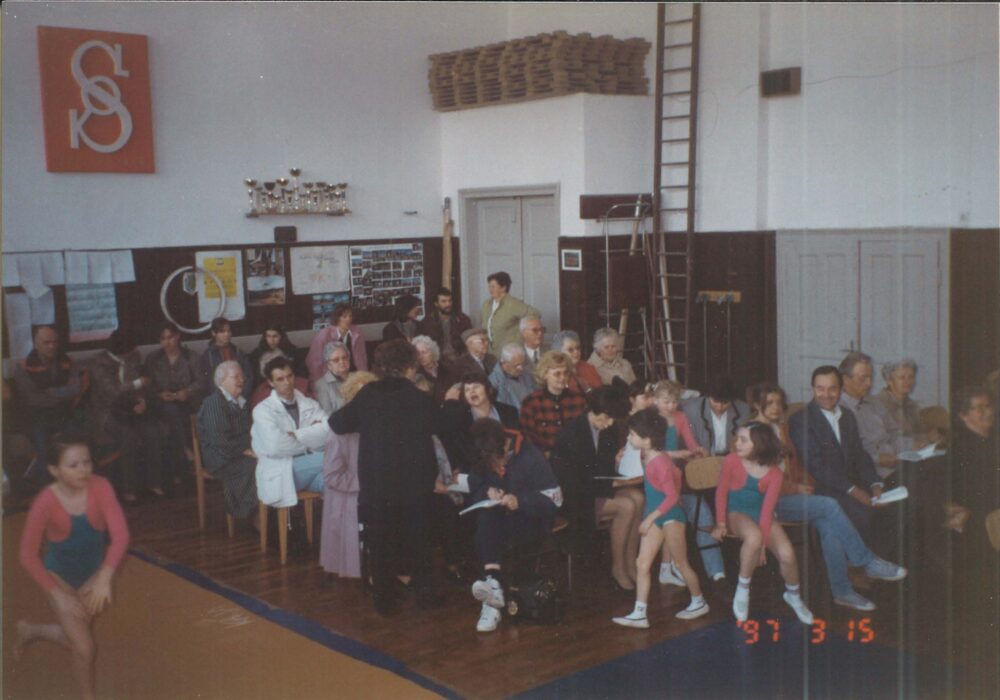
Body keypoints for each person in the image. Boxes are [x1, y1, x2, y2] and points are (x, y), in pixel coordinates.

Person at [749, 382, 907, 611]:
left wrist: (803, 484)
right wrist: (794, 488)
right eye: (769, 403)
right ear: (756, 404)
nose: (775, 407)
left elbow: (796, 465)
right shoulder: (750, 433)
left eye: (778, 402)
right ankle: (866, 561)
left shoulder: (780, 429)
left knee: (830, 528)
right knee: (829, 505)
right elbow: (758, 482)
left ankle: (842, 592)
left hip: (788, 498)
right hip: (765, 504)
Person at [328, 339, 444, 615]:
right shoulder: (418, 397)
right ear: (409, 367)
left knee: (380, 543)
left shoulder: (368, 395)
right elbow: (440, 425)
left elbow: (337, 423)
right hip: (415, 484)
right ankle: (424, 596)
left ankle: (384, 601)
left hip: (377, 484)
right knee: (419, 541)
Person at [17, 434, 130, 700]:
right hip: (60, 578)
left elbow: (121, 536)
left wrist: (103, 577)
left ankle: (32, 630)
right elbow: (27, 555)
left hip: (93, 576)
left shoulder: (101, 487)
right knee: (84, 647)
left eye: (86, 462)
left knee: (77, 638)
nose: (83, 470)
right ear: (54, 470)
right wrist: (57, 594)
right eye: (73, 465)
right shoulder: (45, 502)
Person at [452, 419, 561, 633]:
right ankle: (493, 585)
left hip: (532, 520)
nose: (496, 466)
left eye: (497, 460)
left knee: (487, 528)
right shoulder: (483, 454)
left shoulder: (530, 456)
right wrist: (487, 492)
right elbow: (476, 484)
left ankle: (492, 596)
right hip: (501, 520)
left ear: (504, 448)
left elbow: (554, 500)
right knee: (486, 516)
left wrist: (520, 501)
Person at [613, 410, 709, 628]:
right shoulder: (645, 454)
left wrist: (649, 519)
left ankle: (699, 601)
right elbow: (628, 469)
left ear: (647, 439)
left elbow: (672, 497)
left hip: (670, 516)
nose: (629, 437)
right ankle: (639, 613)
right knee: (642, 564)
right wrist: (619, 460)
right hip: (657, 515)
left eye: (632, 434)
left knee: (681, 563)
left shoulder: (659, 462)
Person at [712, 423, 814, 625]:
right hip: (736, 512)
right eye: (737, 438)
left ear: (759, 444)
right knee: (754, 537)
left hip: (761, 514)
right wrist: (721, 523)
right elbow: (721, 492)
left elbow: (767, 511)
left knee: (787, 554)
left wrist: (763, 547)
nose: (737, 443)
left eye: (743, 440)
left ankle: (793, 596)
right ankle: (743, 590)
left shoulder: (775, 473)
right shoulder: (731, 460)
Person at [550, 385, 640, 590]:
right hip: (575, 498)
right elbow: (571, 481)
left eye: (612, 419)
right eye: (606, 418)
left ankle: (631, 562)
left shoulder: (608, 428)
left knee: (638, 497)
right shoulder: (570, 433)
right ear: (593, 410)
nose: (609, 423)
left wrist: (619, 471)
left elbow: (604, 469)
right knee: (627, 506)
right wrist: (614, 483)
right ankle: (618, 568)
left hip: (596, 488)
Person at [789, 365, 888, 552]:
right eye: (820, 389)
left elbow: (860, 454)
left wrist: (875, 483)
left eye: (832, 388)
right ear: (812, 389)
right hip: (824, 488)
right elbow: (816, 466)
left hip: (851, 484)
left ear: (841, 389)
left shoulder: (847, 416)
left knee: (891, 508)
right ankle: (860, 564)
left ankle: (878, 561)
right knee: (864, 514)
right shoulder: (800, 420)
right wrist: (853, 490)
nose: (826, 395)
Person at [648, 380, 726, 585]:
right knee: (672, 515)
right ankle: (670, 566)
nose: (671, 406)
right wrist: (675, 454)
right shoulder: (650, 419)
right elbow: (648, 453)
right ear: (655, 400)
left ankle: (705, 569)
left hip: (676, 475)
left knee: (690, 515)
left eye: (674, 401)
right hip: (657, 475)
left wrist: (697, 451)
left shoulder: (680, 417)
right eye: (666, 401)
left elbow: (691, 443)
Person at [87, 330, 164, 502]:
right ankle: (130, 489)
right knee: (127, 436)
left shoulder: (134, 356)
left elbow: (141, 387)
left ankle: (154, 483)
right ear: (121, 351)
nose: (133, 353)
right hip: (107, 411)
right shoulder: (99, 362)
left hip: (131, 407)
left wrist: (142, 401)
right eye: (129, 351)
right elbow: (112, 392)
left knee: (152, 432)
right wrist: (138, 383)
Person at [320, 372, 379, 579]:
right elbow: (332, 476)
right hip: (350, 494)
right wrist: (366, 482)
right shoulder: (339, 430)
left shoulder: (378, 424)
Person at [251, 357, 330, 511]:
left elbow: (328, 432)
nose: (287, 382)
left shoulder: (310, 404)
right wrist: (311, 438)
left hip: (310, 468)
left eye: (290, 376)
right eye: (280, 379)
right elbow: (275, 447)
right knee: (334, 456)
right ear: (271, 382)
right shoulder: (262, 411)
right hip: (284, 471)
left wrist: (296, 435)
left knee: (338, 482)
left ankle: (345, 525)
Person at [13, 326, 87, 470]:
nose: (52, 346)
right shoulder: (23, 367)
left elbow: (76, 389)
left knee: (78, 447)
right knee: (44, 453)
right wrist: (63, 393)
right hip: (37, 418)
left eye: (54, 342)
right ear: (36, 344)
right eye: (46, 342)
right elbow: (33, 399)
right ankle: (46, 483)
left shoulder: (69, 362)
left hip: (65, 415)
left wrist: (49, 392)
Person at [196, 361, 258, 522]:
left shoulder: (240, 401)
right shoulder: (214, 402)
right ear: (221, 380)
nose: (241, 380)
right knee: (254, 466)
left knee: (271, 462)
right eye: (235, 377)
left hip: (239, 452)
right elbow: (219, 440)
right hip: (220, 458)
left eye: (242, 376)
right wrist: (246, 450)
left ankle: (266, 510)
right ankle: (250, 512)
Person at [144, 322, 201, 486]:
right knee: (172, 410)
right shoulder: (153, 359)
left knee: (175, 415)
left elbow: (201, 381)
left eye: (170, 337)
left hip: (186, 403)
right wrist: (159, 395)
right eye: (163, 339)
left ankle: (179, 473)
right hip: (161, 404)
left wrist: (187, 391)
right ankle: (186, 450)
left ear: (178, 336)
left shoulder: (191, 357)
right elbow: (148, 386)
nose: (167, 342)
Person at [441, 372, 522, 475]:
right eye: (467, 390)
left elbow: (518, 441)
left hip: (514, 466)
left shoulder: (509, 411)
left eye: (476, 387)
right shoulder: (461, 420)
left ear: (489, 390)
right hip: (481, 472)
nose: (472, 391)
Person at [838, 352, 900, 479]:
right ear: (845, 380)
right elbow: (845, 455)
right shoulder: (838, 410)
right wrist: (878, 459)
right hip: (871, 473)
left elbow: (894, 432)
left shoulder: (874, 402)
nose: (869, 384)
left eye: (871, 378)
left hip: (896, 464)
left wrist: (913, 446)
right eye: (863, 379)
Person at [519, 351, 587, 453]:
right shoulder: (531, 403)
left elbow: (585, 435)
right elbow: (528, 439)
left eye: (565, 373)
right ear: (544, 374)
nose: (563, 377)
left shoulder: (579, 400)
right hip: (543, 458)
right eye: (557, 374)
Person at [681, 375, 750, 456]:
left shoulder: (743, 409)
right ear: (708, 396)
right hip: (702, 458)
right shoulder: (691, 409)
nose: (719, 407)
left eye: (725, 402)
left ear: (732, 400)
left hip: (733, 456)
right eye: (715, 401)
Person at [873, 358, 927, 452]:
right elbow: (878, 442)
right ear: (889, 381)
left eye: (911, 377)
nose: (908, 381)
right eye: (902, 377)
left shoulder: (913, 406)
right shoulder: (877, 405)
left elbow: (920, 434)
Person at [480, 271, 540, 355]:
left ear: (503, 288)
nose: (490, 290)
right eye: (489, 286)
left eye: (493, 287)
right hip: (490, 353)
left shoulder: (513, 304)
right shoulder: (486, 304)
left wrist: (521, 333)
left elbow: (536, 314)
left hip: (509, 353)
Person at [307, 303, 368, 380]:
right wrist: (319, 383)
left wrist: (365, 378)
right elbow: (314, 363)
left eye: (350, 316)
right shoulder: (324, 335)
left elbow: (362, 359)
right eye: (344, 316)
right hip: (330, 377)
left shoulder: (357, 333)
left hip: (352, 375)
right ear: (337, 318)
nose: (348, 319)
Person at [198, 318, 253, 400]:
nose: (226, 334)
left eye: (228, 331)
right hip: (218, 399)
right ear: (214, 333)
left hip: (239, 396)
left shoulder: (238, 353)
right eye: (222, 331)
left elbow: (248, 377)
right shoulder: (208, 356)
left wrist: (241, 395)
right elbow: (208, 382)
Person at [418, 287, 471, 361]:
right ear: (436, 303)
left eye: (450, 300)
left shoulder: (462, 319)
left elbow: (469, 341)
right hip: (438, 360)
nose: (448, 304)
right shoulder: (427, 323)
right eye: (444, 301)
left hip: (459, 358)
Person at [551, 329, 603, 395]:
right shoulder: (555, 372)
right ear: (559, 352)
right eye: (570, 350)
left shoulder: (589, 367)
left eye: (578, 348)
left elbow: (601, 391)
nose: (576, 352)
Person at [488, 343, 536, 410]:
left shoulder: (526, 374)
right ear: (504, 363)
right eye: (516, 365)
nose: (521, 368)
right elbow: (502, 410)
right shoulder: (494, 383)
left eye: (522, 363)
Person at [313, 342, 352, 415]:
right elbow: (326, 414)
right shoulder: (322, 385)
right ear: (328, 365)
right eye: (336, 360)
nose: (342, 362)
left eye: (344, 358)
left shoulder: (357, 378)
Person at [412, 335, 451, 404]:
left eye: (424, 352)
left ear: (432, 352)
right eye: (418, 354)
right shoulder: (416, 374)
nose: (420, 357)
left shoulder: (446, 367)